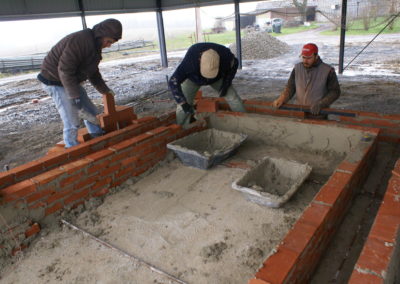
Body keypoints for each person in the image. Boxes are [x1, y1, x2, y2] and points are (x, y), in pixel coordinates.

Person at [37, 18, 122, 148]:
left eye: (112, 42)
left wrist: (105, 90)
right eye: (108, 41)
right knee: (71, 119)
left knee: (91, 110)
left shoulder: (95, 45)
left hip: (69, 79)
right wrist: (74, 97)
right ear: (101, 35)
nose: (109, 45)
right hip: (54, 79)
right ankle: (72, 148)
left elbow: (92, 71)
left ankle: (98, 137)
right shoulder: (80, 41)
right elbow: (64, 70)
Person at [168, 42, 246, 125]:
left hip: (216, 78)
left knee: (233, 97)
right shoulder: (189, 62)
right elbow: (173, 82)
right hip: (193, 78)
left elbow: (234, 65)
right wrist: (183, 103)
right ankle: (181, 127)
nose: (207, 79)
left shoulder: (226, 57)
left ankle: (245, 121)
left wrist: (226, 84)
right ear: (199, 60)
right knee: (183, 105)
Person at [272, 43, 341, 116]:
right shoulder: (297, 68)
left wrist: (321, 104)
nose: (305, 61)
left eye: (309, 58)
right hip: (300, 112)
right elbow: (290, 87)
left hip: (317, 114)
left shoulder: (328, 71)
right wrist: (282, 99)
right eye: (303, 57)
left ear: (316, 56)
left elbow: (335, 92)